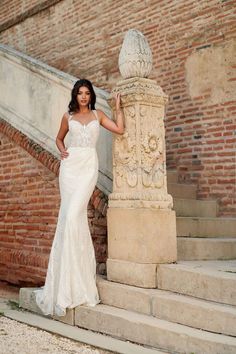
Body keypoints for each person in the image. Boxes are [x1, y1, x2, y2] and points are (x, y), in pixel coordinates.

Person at [35, 79, 124, 317]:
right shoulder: (68, 117)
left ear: (90, 96)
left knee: (75, 215)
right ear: (75, 95)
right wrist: (62, 150)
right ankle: (65, 284)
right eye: (80, 93)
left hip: (87, 168)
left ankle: (78, 282)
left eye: (87, 93)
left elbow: (120, 129)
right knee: (69, 218)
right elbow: (59, 138)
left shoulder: (98, 115)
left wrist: (119, 108)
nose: (83, 96)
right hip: (70, 167)